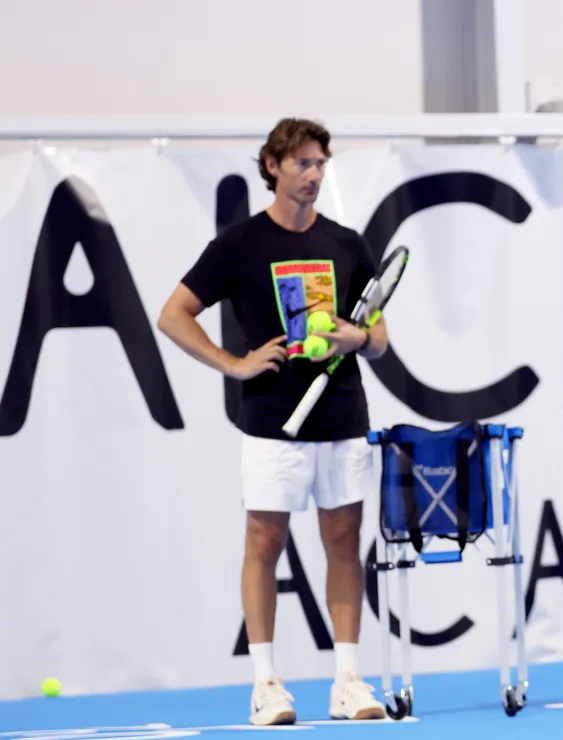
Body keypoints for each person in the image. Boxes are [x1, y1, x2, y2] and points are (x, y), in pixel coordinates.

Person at [157, 118, 388, 726]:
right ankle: (265, 684)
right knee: (264, 544)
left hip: (341, 418)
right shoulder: (239, 246)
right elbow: (174, 315)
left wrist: (355, 335)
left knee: (343, 544)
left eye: (320, 165)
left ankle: (347, 680)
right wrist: (232, 363)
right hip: (270, 422)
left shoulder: (348, 244)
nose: (314, 175)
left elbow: (381, 339)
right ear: (272, 167)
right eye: (303, 164)